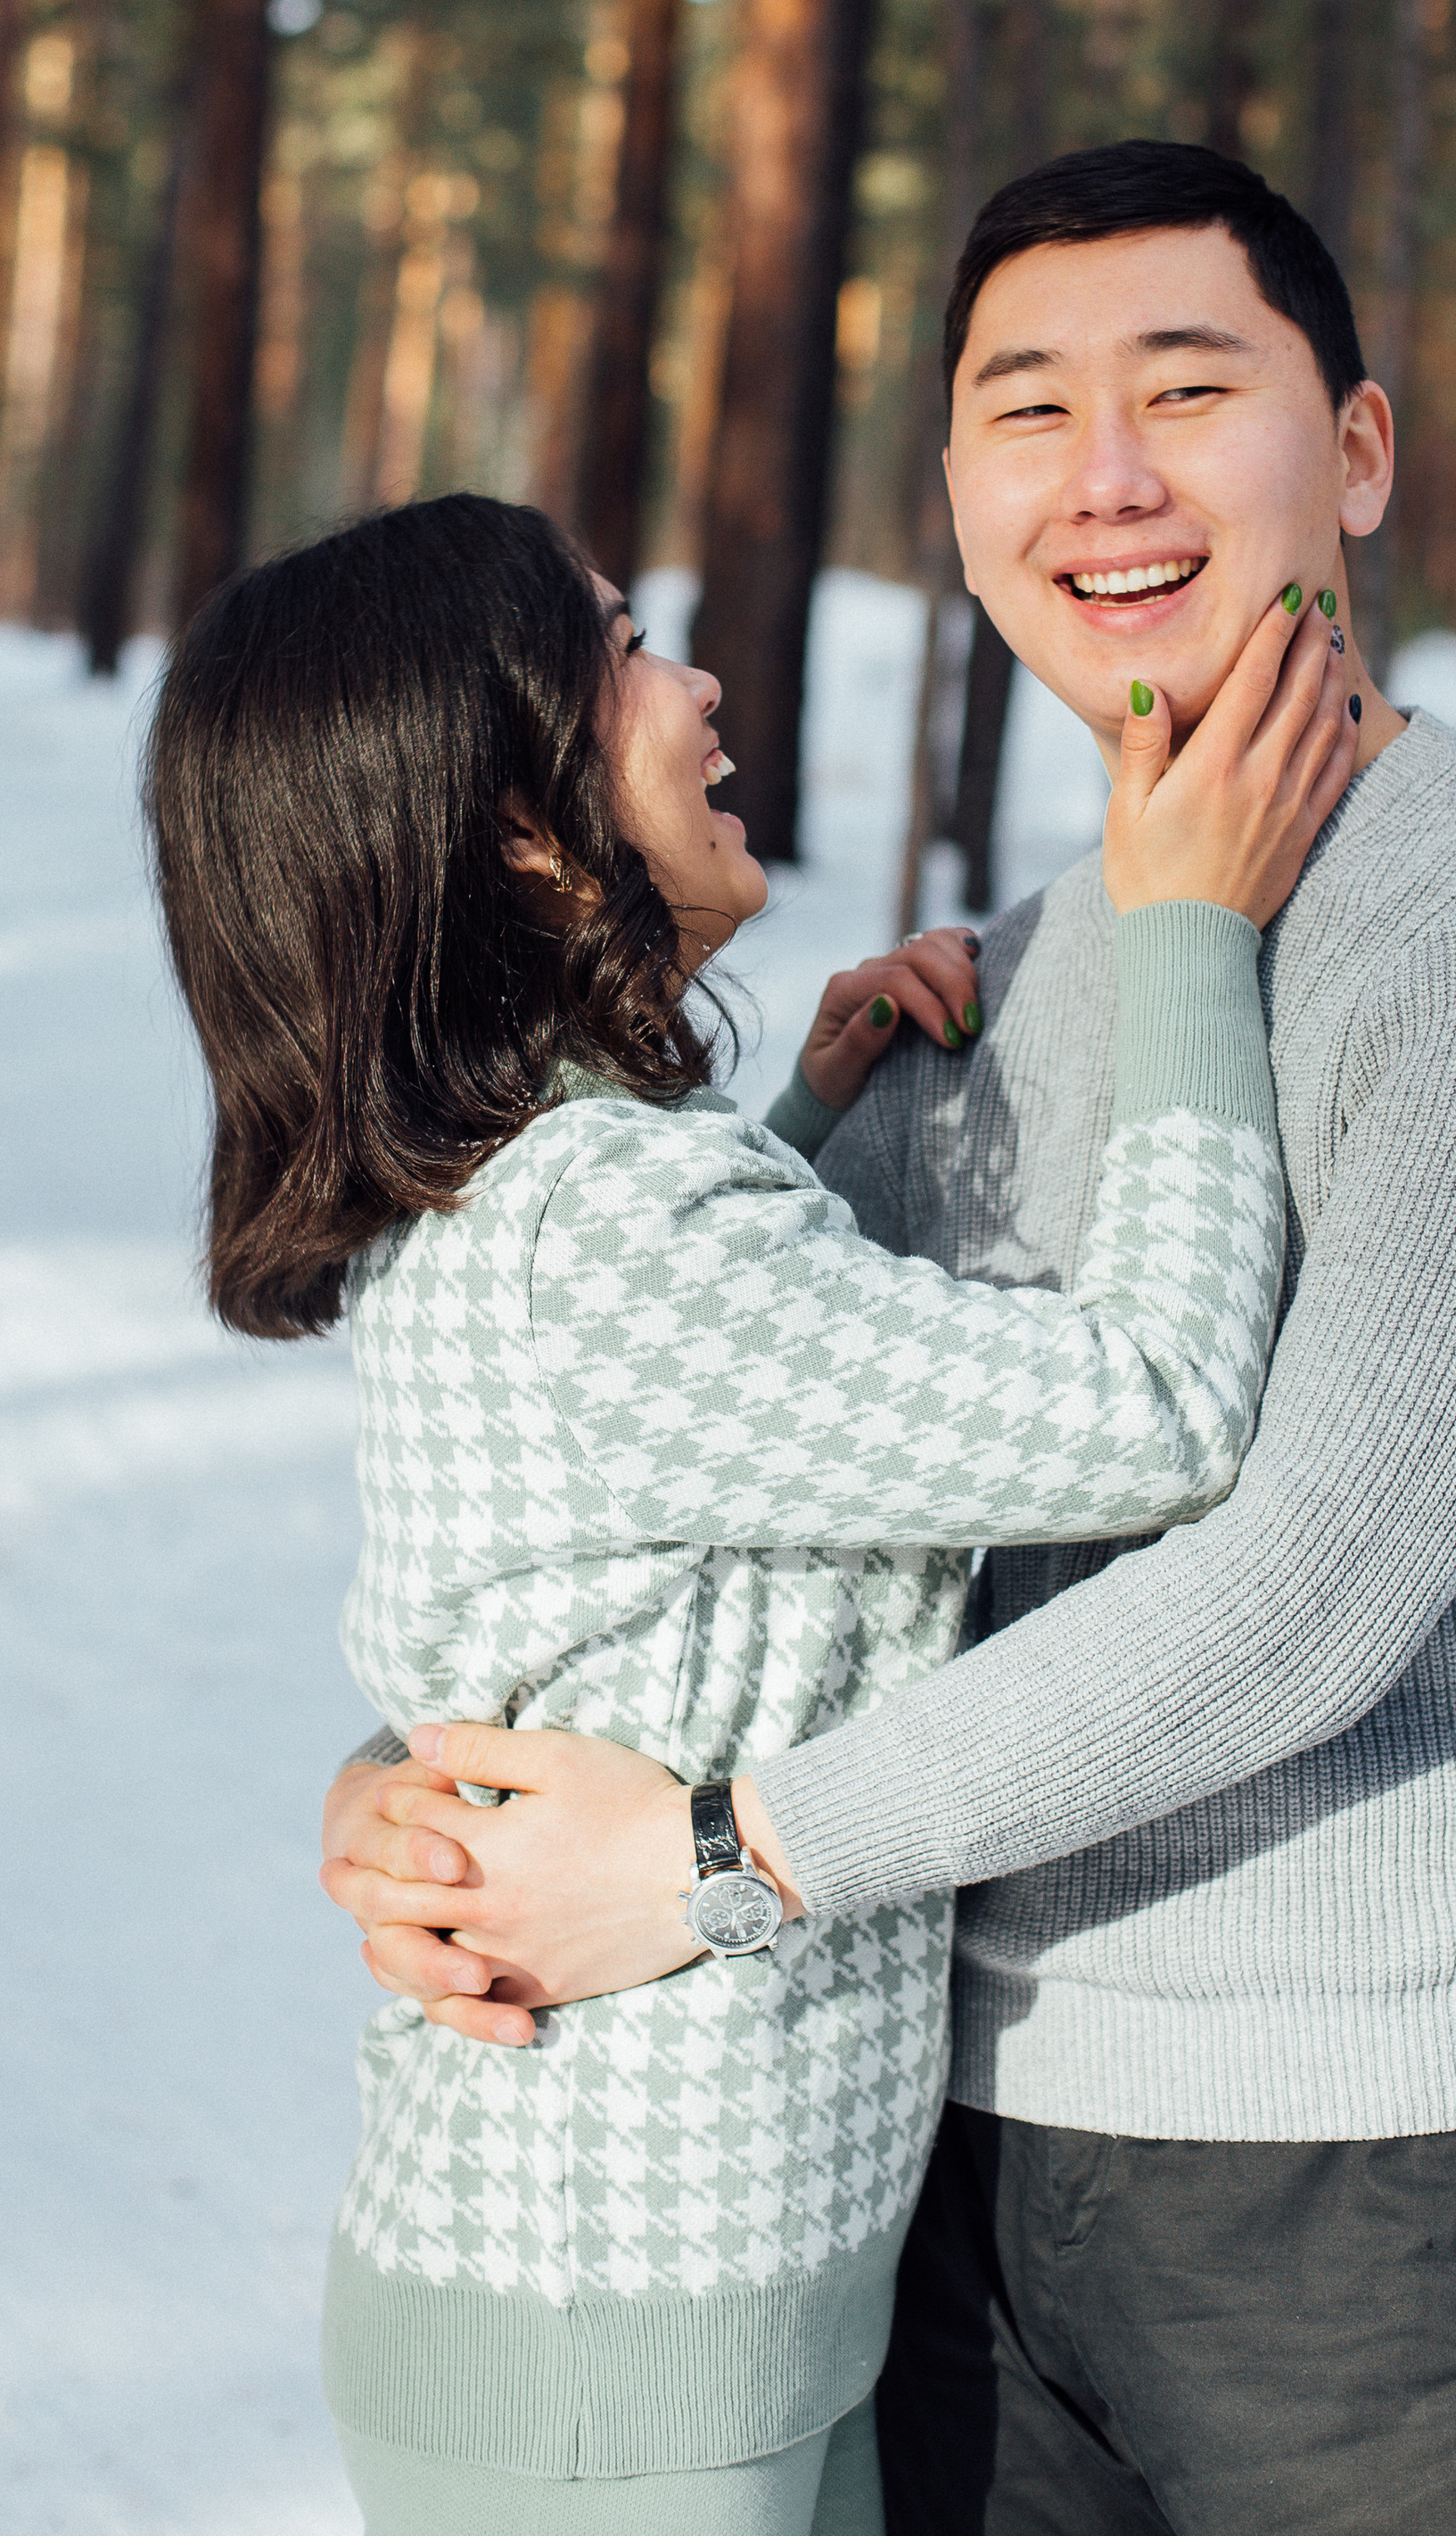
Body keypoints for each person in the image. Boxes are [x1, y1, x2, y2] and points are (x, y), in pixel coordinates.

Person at [324, 144, 1456, 2536]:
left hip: (1381, 2192)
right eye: (1025, 412)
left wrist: (716, 1858)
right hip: (942, 2164)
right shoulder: (1004, 973)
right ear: (966, 502)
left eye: (1190, 390)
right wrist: (416, 1787)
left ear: (1360, 456)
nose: (1107, 478)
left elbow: (1299, 1589)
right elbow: (693, 1485)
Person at [142, 486, 1357, 2536]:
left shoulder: (551, 1183)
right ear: (520, 827)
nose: (700, 688)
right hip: (619, 2353)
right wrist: (1187, 933)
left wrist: (807, 1117)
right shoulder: (608, 1218)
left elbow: (633, 1561)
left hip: (663, 2326)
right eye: (625, 649)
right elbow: (1155, 1407)